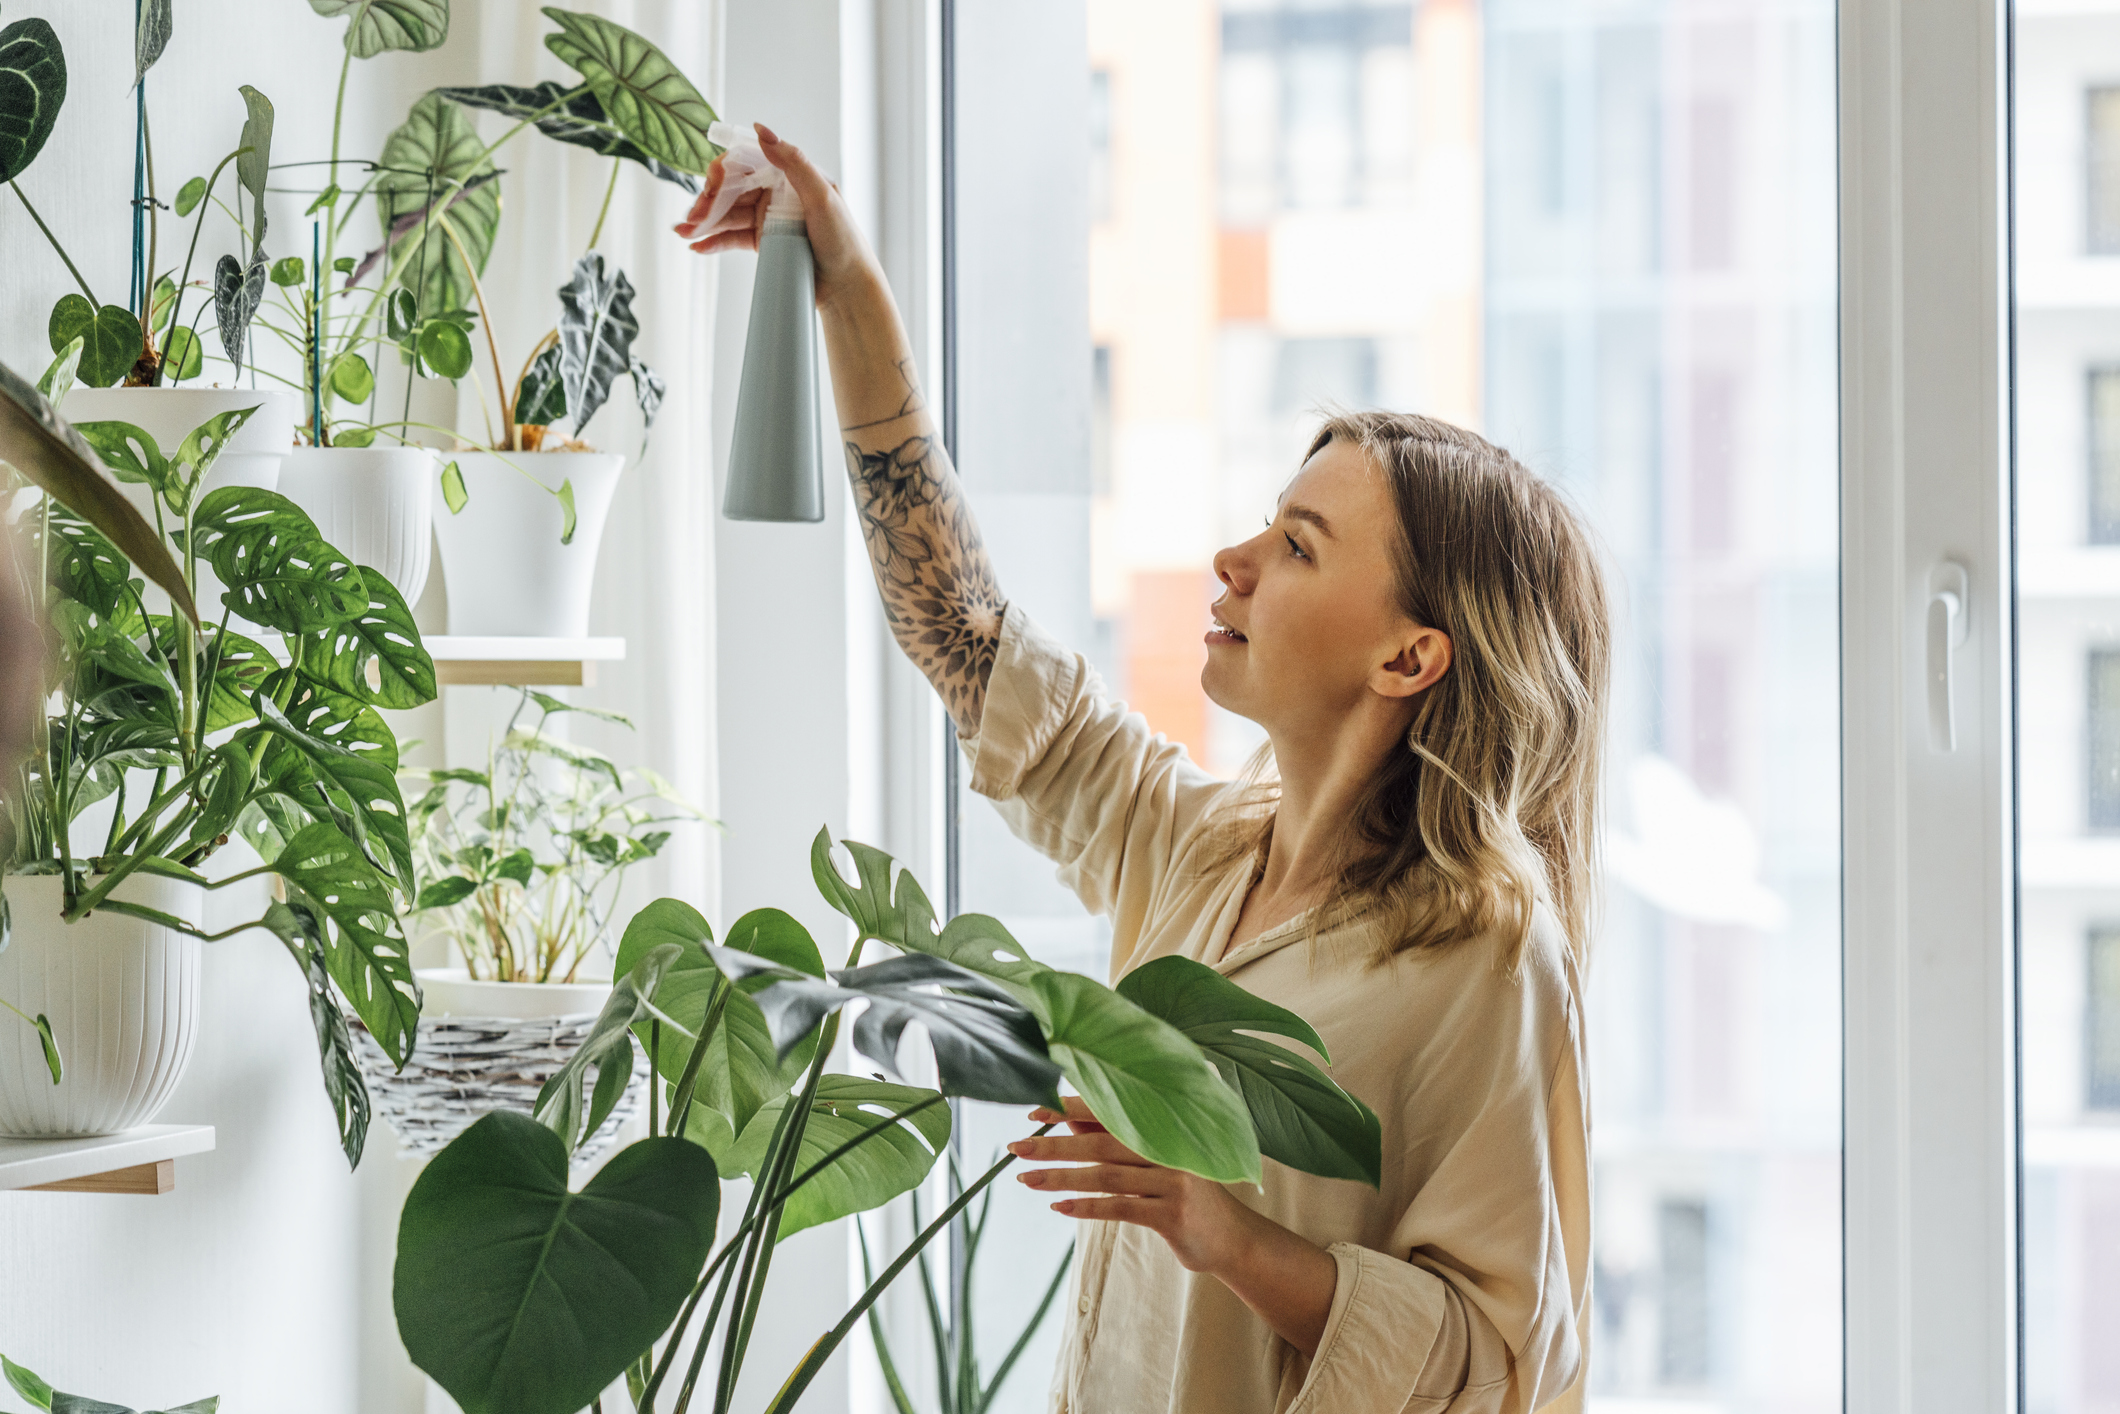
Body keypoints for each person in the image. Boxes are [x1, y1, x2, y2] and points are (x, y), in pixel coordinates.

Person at [681, 124, 1603, 1414]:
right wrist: (846, 282)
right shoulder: (1199, 847)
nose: (1232, 561)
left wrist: (1231, 1238)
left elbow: (1502, 1361)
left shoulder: (1489, 953)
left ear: (1409, 657)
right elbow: (965, 638)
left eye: (1295, 546)